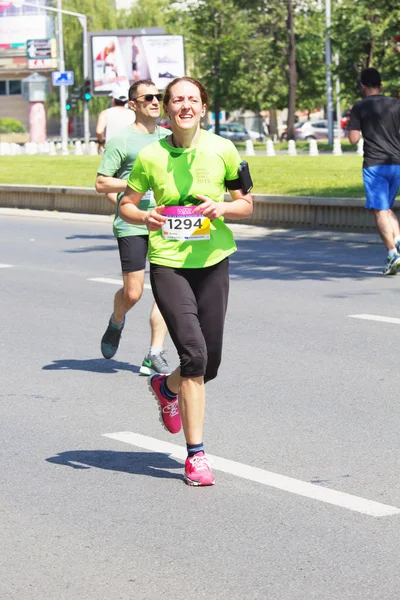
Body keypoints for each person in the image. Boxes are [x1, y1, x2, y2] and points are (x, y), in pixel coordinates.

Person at [119, 77, 253, 486]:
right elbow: (126, 204)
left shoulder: (223, 149)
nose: (185, 106)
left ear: (203, 107)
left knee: (208, 364)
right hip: (169, 263)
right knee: (194, 355)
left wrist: (226, 207)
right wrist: (145, 216)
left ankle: (166, 388)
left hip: (213, 261)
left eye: (192, 99)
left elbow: (248, 203)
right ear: (167, 108)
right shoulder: (150, 155)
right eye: (178, 100)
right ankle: (196, 456)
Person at [95, 79, 171, 376]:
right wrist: (137, 184)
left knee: (168, 289)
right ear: (133, 105)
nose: (155, 101)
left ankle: (155, 352)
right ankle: (116, 320)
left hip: (166, 222)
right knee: (134, 293)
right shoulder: (122, 140)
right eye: (148, 97)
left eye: (159, 96)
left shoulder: (169, 137)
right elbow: (101, 182)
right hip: (132, 222)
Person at [348, 68, 400, 275]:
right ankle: (397, 240)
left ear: (363, 87)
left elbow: (352, 139)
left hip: (374, 165)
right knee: (385, 208)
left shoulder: (359, 107)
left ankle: (391, 253)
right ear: (381, 85)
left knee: (379, 210)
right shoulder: (397, 104)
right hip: (396, 163)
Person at [96, 85, 136, 153]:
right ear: (127, 101)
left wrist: (101, 142)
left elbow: (99, 131)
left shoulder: (105, 113)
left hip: (112, 150)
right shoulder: (134, 114)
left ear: (113, 100)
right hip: (130, 149)